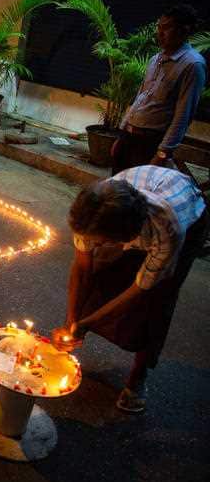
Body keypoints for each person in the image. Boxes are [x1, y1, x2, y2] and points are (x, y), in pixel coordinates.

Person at [53, 166, 208, 413]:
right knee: (102, 271)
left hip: (187, 212)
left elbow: (142, 288)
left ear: (124, 237)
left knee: (157, 301)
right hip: (136, 205)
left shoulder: (167, 227)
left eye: (102, 240)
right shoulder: (93, 209)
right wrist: (72, 319)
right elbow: (83, 267)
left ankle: (138, 377)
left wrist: (87, 323)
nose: (96, 243)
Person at [112, 4, 207, 174]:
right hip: (130, 136)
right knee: (117, 189)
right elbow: (141, 97)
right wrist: (122, 134)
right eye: (159, 27)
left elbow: (183, 116)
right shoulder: (155, 59)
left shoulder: (192, 65)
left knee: (139, 194)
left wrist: (162, 154)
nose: (160, 33)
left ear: (184, 31)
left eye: (166, 28)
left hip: (151, 143)